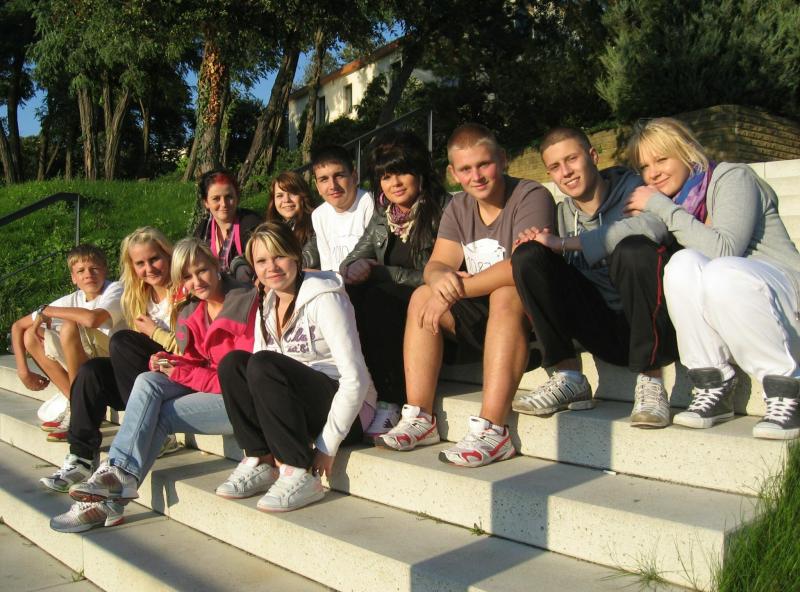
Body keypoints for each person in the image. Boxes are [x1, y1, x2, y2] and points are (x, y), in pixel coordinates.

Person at [50, 238, 258, 532]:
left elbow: (234, 377)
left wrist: (182, 373)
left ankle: (111, 493)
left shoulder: (244, 303)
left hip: (242, 401)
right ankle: (114, 483)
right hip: (209, 386)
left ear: (216, 265)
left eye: (202, 271)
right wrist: (169, 362)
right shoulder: (193, 310)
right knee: (148, 380)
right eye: (187, 276)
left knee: (154, 412)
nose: (196, 281)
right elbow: (197, 360)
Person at [377, 123, 554, 467]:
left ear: (502, 159)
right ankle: (420, 417)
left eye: (484, 164)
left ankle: (493, 429)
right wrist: (440, 279)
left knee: (505, 292)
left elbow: (521, 265)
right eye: (466, 169)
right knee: (422, 296)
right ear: (453, 173)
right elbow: (437, 264)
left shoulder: (530, 195)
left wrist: (455, 290)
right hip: (483, 325)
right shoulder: (458, 206)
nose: (476, 176)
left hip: (531, 326)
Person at [625, 117, 800, 439]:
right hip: (736, 294)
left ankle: (786, 388)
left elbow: (724, 249)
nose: (653, 173)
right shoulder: (677, 204)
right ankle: (713, 382)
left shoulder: (733, 177)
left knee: (720, 270)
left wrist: (660, 207)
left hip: (783, 291)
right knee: (682, 263)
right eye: (644, 166)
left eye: (661, 159)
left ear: (687, 151)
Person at [510, 127, 678, 428]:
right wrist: (534, 243)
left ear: (593, 156)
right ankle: (568, 376)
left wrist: (565, 244)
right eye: (555, 167)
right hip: (600, 326)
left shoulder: (633, 189)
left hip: (649, 320)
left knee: (634, 248)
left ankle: (651, 381)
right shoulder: (561, 215)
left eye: (571, 159)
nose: (566, 172)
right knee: (528, 256)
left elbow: (656, 227)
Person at [215, 222, 377, 511]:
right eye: (262, 261)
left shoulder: (325, 298)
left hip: (348, 413)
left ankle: (299, 471)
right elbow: (256, 377)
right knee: (234, 364)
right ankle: (260, 459)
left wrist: (327, 446)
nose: (271, 267)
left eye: (279, 256)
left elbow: (356, 378)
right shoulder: (266, 302)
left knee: (262, 363)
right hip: (300, 408)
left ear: (296, 256)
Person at [40, 227, 182, 492]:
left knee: (122, 341)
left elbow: (192, 347)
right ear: (132, 266)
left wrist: (155, 332)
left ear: (168, 255)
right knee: (91, 371)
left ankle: (154, 432)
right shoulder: (136, 295)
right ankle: (81, 457)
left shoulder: (186, 291)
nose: (149, 268)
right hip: (143, 379)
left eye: (155, 259)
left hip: (178, 374)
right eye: (140, 263)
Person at [340, 130, 449, 438]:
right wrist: (354, 267)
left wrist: (385, 274)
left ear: (420, 172)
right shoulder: (385, 213)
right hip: (389, 304)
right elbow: (352, 258)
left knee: (379, 296)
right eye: (386, 176)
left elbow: (439, 273)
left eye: (402, 172)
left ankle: (391, 400)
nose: (394, 183)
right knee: (349, 291)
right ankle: (356, 387)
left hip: (432, 305)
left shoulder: (445, 209)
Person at [10, 244, 125, 439]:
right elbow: (17, 326)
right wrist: (23, 371)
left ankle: (80, 410)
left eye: (94, 268)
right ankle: (75, 404)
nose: (88, 275)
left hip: (116, 363)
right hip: (91, 361)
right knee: (31, 334)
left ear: (105, 270)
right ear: (73, 278)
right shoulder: (74, 298)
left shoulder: (116, 289)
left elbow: (92, 319)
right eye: (81, 271)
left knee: (69, 327)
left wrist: (48, 311)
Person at [310, 145, 373, 271]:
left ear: (354, 177)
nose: (332, 186)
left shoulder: (370, 203)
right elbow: (327, 267)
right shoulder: (318, 215)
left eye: (339, 176)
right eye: (324, 179)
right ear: (318, 187)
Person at [193, 168, 262, 280]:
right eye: (216, 199)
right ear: (206, 203)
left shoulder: (252, 225)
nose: (224, 204)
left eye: (229, 197)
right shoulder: (202, 231)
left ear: (237, 198)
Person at [266, 171, 319, 269]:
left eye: (292, 194)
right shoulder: (272, 228)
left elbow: (307, 260)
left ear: (303, 196)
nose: (286, 200)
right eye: (280, 195)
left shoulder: (316, 224)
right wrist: (240, 264)